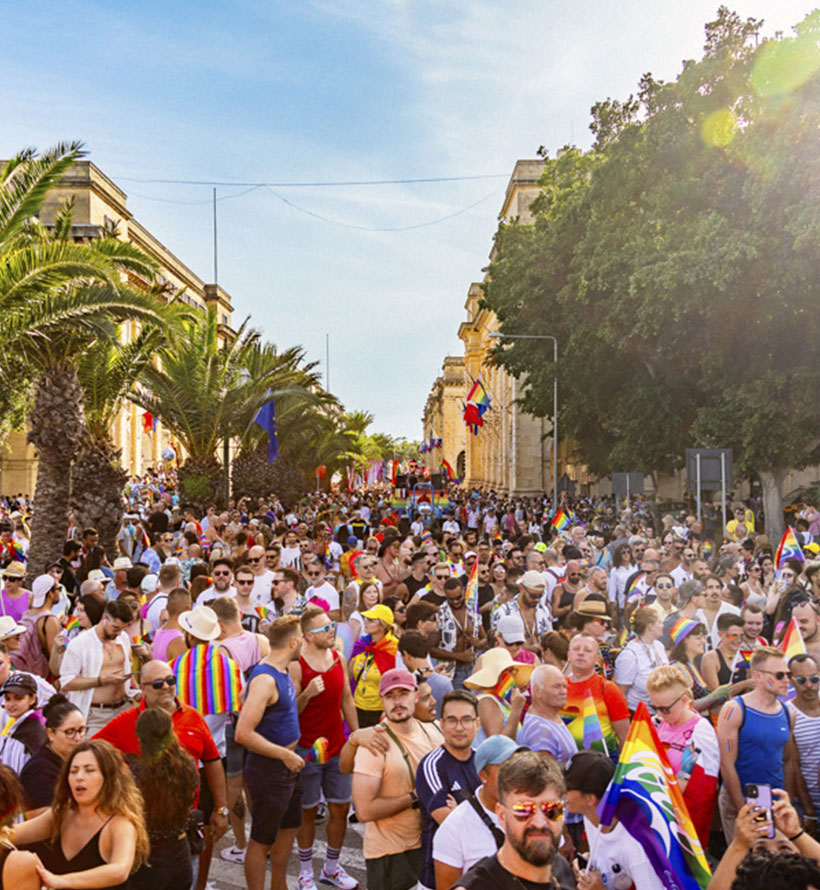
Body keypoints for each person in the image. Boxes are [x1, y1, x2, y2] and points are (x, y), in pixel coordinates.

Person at [2, 739, 149, 890]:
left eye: (89, 770)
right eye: (73, 771)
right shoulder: (61, 814)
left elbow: (119, 870)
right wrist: (4, 832)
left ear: (109, 777)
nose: (79, 776)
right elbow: (13, 834)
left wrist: (59, 881)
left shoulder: (120, 823)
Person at [351, 668, 439, 890]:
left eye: (403, 694)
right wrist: (414, 798)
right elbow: (364, 811)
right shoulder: (374, 743)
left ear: (416, 696)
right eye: (390, 696)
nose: (397, 702)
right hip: (391, 854)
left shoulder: (433, 731)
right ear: (382, 701)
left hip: (429, 844)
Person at [235, 615, 306, 890]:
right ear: (292, 642)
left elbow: (242, 698)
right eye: (301, 638)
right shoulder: (266, 678)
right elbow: (243, 733)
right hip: (270, 769)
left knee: (289, 830)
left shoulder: (281, 668)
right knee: (261, 839)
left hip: (288, 765)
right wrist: (283, 754)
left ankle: (279, 885)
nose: (303, 643)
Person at [291, 607, 359, 890]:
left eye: (331, 626)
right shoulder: (296, 665)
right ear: (308, 636)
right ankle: (305, 871)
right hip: (305, 750)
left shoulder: (338, 658)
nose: (332, 631)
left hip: (336, 748)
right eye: (324, 629)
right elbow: (290, 711)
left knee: (340, 809)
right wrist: (307, 694)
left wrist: (357, 737)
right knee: (306, 812)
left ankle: (331, 868)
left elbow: (347, 699)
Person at [453, 750, 573, 890]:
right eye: (524, 810)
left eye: (551, 810)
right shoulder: (476, 886)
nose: (539, 823)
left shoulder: (561, 869)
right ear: (502, 816)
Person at [717, 645, 796, 843]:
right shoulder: (735, 709)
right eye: (779, 675)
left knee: (776, 863)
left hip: (774, 798)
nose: (786, 680)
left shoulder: (788, 713)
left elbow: (787, 760)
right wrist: (742, 808)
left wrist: (788, 801)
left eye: (788, 674)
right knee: (747, 865)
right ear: (758, 676)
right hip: (744, 797)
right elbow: (727, 764)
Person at [563, 749, 666, 890]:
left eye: (567, 787)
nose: (561, 791)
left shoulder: (636, 849)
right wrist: (588, 863)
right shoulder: (590, 816)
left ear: (590, 798)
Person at [432, 735, 522, 890]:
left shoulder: (535, 812)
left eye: (519, 767)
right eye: (506, 768)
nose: (515, 775)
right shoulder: (454, 828)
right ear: (483, 775)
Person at [645, 665, 719, 848]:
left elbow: (703, 787)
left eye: (665, 709)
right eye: (654, 707)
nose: (660, 714)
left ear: (684, 700)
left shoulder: (700, 730)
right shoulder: (655, 723)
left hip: (682, 818)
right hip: (653, 812)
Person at [415, 690, 481, 890]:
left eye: (466, 720)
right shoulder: (432, 766)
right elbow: (451, 824)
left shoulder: (483, 763)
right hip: (438, 880)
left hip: (479, 877)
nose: (459, 727)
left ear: (477, 724)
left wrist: (462, 807)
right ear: (441, 725)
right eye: (451, 720)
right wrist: (481, 810)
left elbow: (502, 816)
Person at [131, 708, 199, 890]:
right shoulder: (187, 765)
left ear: (140, 737)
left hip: (146, 860)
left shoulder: (136, 774)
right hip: (180, 853)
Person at [707, 789, 820, 890]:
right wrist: (739, 844)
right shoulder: (752, 883)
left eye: (784, 848)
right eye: (761, 849)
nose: (772, 852)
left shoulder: (807, 882)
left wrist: (796, 833)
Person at [560, 633, 629, 759]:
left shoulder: (608, 689)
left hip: (602, 765)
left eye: (588, 650)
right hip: (567, 763)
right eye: (576, 649)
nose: (581, 653)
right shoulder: (560, 687)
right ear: (569, 656)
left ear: (597, 659)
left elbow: (624, 735)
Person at [19, 694, 85, 818]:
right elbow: (34, 816)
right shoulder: (39, 769)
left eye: (81, 730)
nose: (77, 738)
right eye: (69, 732)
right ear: (50, 733)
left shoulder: (79, 759)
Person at [464, 648, 531, 746]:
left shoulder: (500, 699)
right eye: (508, 671)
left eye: (512, 670)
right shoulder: (486, 701)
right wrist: (516, 710)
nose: (512, 675)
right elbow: (498, 745)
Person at [429, 578, 486, 689]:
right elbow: (430, 649)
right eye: (451, 599)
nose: (455, 602)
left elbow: (484, 638)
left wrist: (479, 644)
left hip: (473, 668)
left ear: (464, 591)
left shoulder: (473, 609)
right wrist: (458, 656)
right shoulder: (440, 614)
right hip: (451, 672)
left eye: (458, 597)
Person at [349, 603, 398, 727]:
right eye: (366, 618)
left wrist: (388, 710)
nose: (366, 622)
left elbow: (396, 684)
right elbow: (349, 675)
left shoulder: (394, 648)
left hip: (380, 711)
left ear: (383, 624)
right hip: (357, 707)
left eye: (371, 620)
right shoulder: (361, 645)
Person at [786, 653, 820, 832]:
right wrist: (808, 811)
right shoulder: (789, 714)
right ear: (791, 680)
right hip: (809, 804)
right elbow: (793, 765)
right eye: (801, 680)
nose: (809, 686)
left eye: (814, 679)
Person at [613, 606, 668, 711]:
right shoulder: (630, 655)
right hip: (638, 715)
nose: (663, 626)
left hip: (662, 712)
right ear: (650, 626)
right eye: (660, 622)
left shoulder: (659, 646)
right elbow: (621, 693)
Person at [0, 673, 46, 773]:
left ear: (32, 699)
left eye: (18, 698)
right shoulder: (13, 726)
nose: (11, 704)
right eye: (8, 699)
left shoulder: (33, 731)